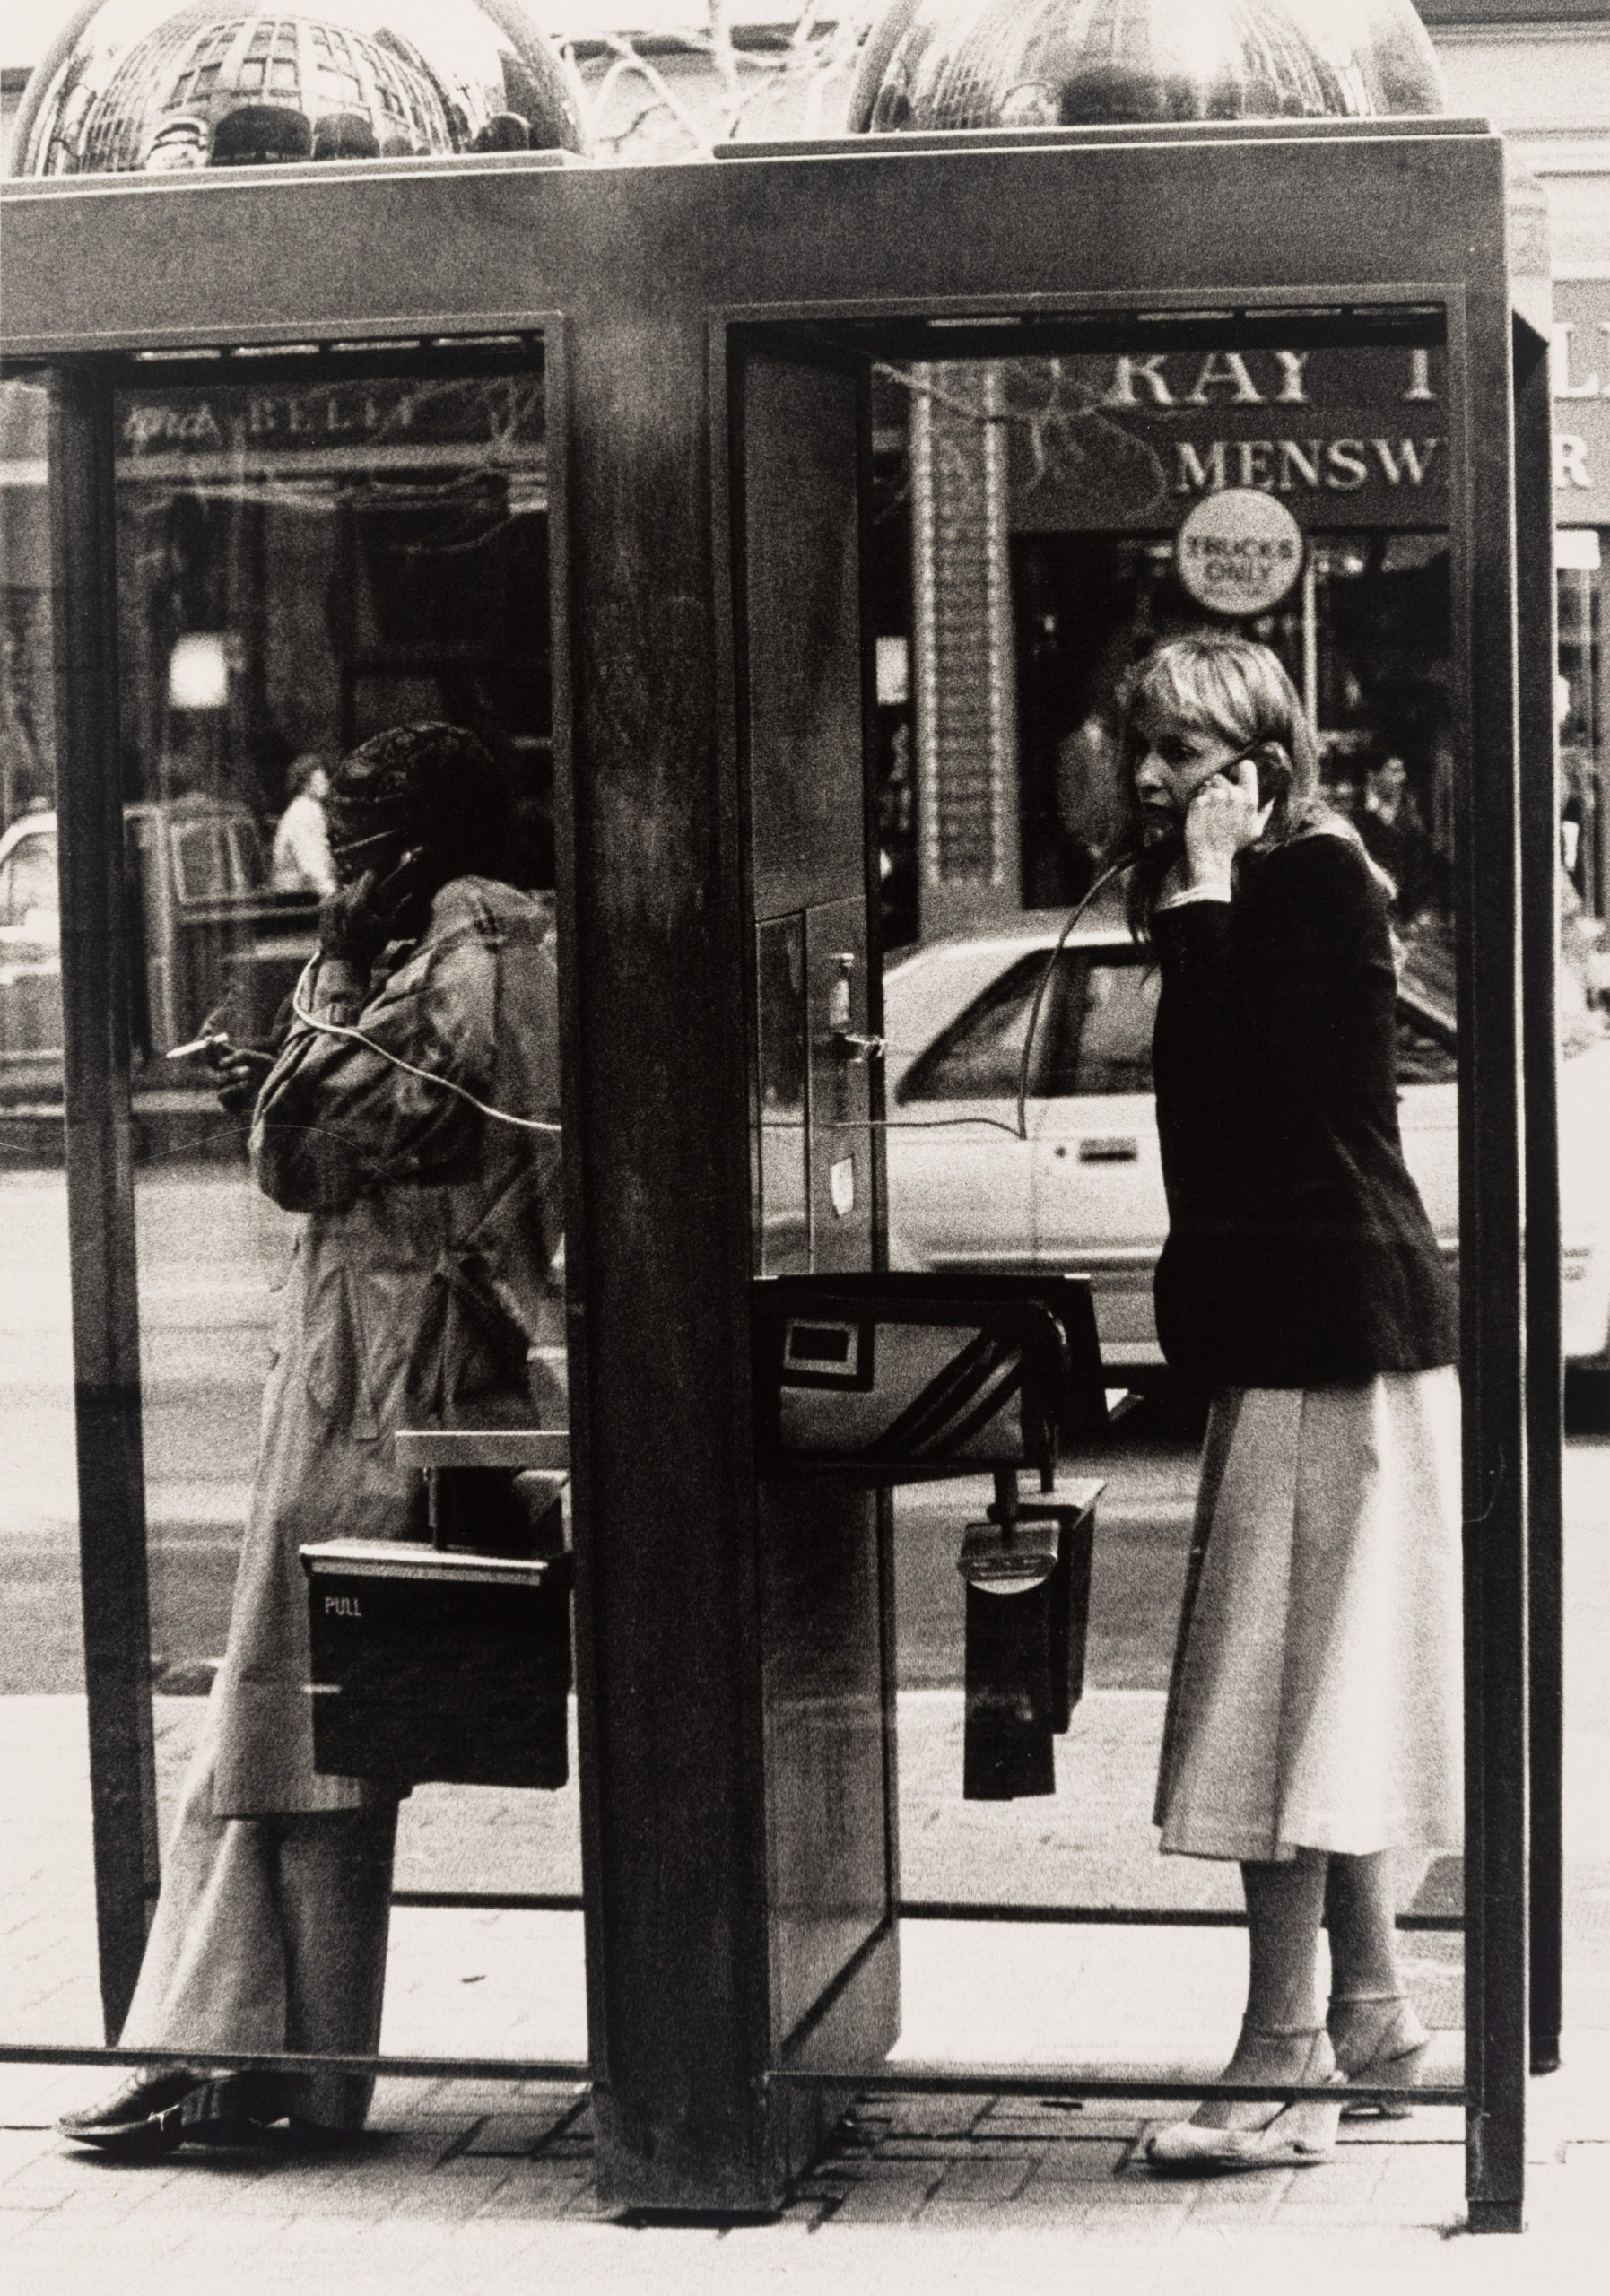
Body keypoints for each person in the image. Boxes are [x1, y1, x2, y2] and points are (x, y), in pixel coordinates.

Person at [59, 723, 563, 2156]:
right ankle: (279, 2060)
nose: (336, 866)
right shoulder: (510, 951)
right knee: (313, 1733)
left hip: (372, 1370)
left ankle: (238, 2059)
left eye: (356, 839)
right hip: (434, 1359)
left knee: (281, 1719)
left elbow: (293, 1152)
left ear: (412, 848)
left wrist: (329, 973)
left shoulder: (439, 975)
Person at [1120, 636, 1461, 2174]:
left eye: (1180, 751)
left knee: (1274, 1699)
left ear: (1256, 763)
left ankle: (1278, 2060)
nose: (1150, 777)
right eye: (1145, 746)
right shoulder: (1275, 886)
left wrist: (1197, 900)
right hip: (1303, 1333)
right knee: (1315, 1683)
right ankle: (1376, 2013)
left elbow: (1243, 1091)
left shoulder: (1315, 884)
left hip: (1332, 1336)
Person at [271, 752, 338, 895]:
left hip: (307, 889)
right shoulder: (303, 812)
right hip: (298, 895)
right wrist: (331, 891)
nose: (327, 784)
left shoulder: (310, 808)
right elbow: (309, 861)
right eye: (321, 780)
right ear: (305, 784)